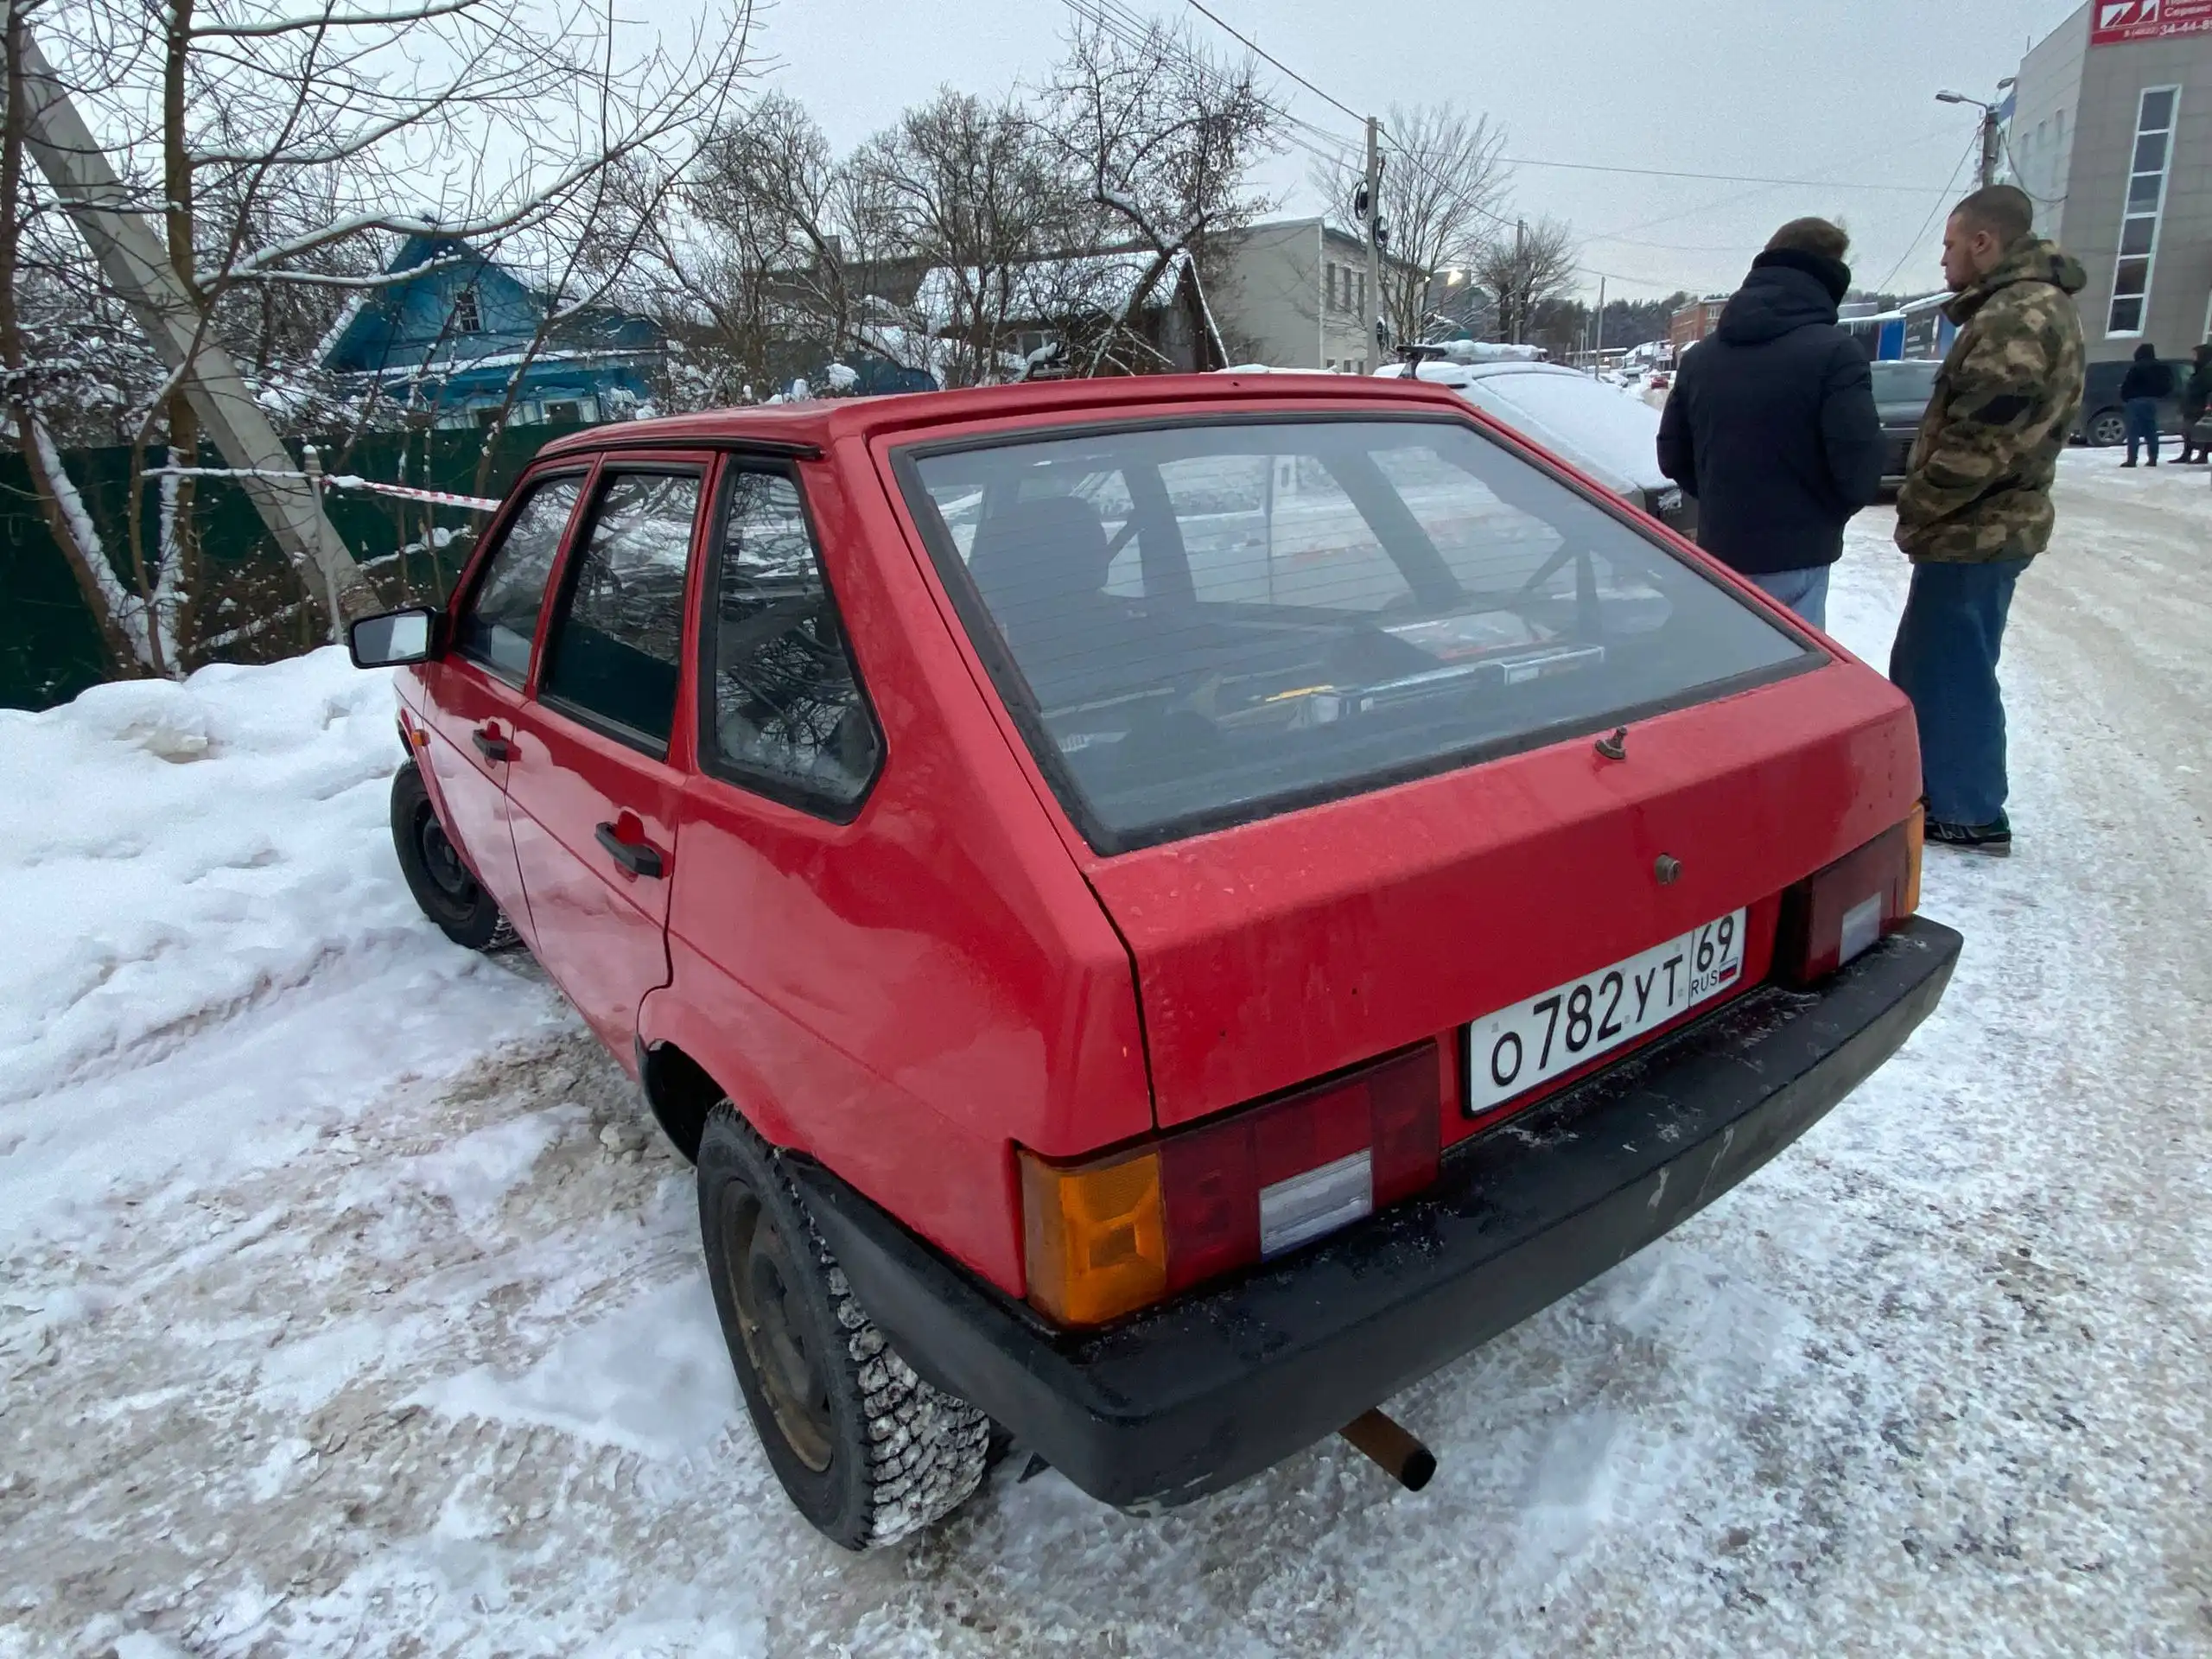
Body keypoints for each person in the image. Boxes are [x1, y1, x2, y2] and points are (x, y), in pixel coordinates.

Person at [1891, 184, 2086, 855]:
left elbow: (1982, 439)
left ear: (1985, 242)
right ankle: (1953, 797)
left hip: (1978, 529)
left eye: (1950, 245)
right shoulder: (2026, 307)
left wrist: (1919, 502)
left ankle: (1966, 809)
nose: (1943, 259)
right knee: (1946, 663)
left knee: (1948, 670)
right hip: (1986, 526)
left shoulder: (2018, 316)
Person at [1656, 217, 1882, 630]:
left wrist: (1723, 500)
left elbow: (1672, 455)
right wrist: (1818, 515)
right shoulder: (1837, 354)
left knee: (1732, 674)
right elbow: (1860, 471)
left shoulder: (1700, 358)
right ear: (1832, 275)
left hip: (1720, 552)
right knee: (1792, 682)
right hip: (1799, 559)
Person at [2119, 341, 2173, 467]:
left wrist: (2125, 396)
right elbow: (2169, 384)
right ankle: (2153, 459)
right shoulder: (2161, 367)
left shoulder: (2137, 367)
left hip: (2135, 400)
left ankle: (2132, 459)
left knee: (2133, 431)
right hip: (2152, 400)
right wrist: (2160, 394)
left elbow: (2128, 384)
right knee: (2151, 430)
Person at [2178, 344, 2212, 464]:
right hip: (2192, 404)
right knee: (2187, 431)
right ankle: (2187, 454)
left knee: (2199, 431)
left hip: (2200, 405)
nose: (2193, 358)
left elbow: (2206, 388)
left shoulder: (2208, 370)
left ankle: (2203, 454)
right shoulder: (2200, 369)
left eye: (2195, 355)